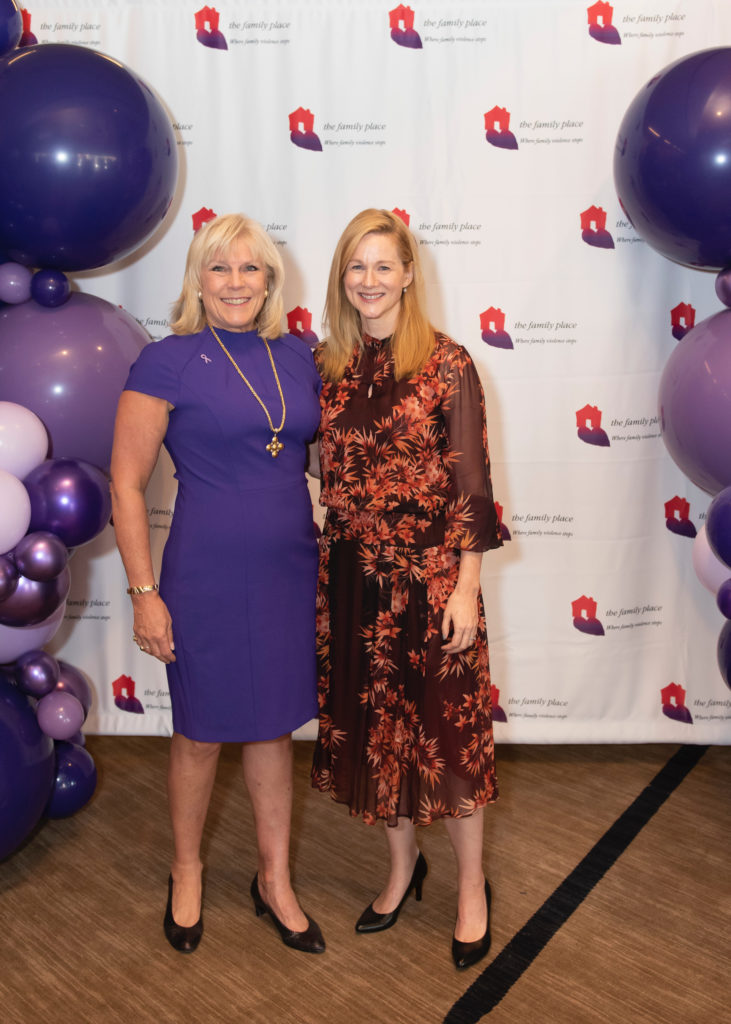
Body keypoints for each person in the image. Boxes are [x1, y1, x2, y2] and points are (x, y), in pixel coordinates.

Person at [110, 213, 325, 955]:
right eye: (219, 268)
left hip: (290, 573)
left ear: (270, 279)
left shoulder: (298, 358)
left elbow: (326, 466)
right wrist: (144, 593)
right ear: (197, 279)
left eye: (250, 268)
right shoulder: (165, 361)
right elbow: (127, 485)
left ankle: (275, 879)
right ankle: (188, 870)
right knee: (200, 733)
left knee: (272, 729)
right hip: (201, 573)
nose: (236, 282)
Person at [311, 209, 502, 970]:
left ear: (408, 274)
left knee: (447, 742)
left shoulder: (448, 364)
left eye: (383, 266)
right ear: (342, 279)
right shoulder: (328, 366)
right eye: (356, 267)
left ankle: (470, 888)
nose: (369, 281)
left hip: (431, 583)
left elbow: (471, 485)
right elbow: (323, 472)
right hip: (353, 583)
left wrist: (465, 586)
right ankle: (399, 871)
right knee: (376, 740)